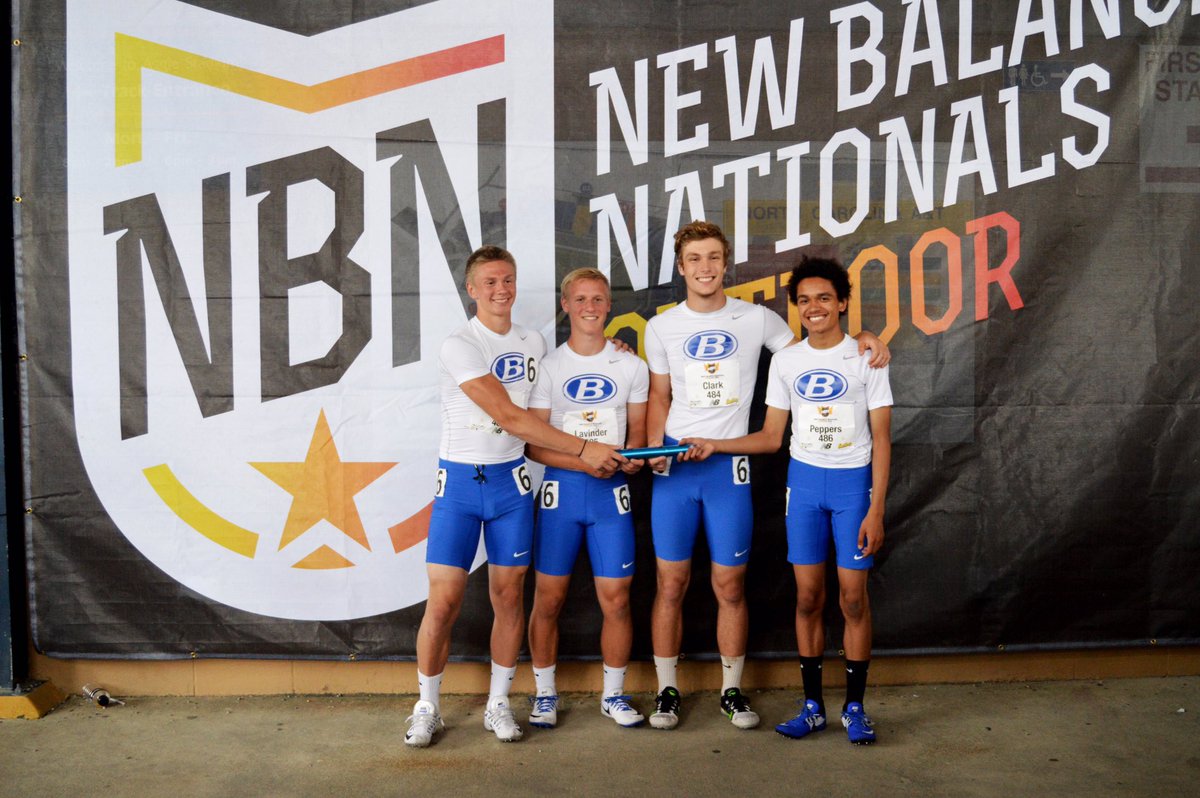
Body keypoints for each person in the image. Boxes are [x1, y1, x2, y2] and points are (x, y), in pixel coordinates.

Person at [643, 222, 889, 731]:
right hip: (676, 469)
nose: (705, 267)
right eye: (695, 259)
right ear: (681, 267)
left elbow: (814, 345)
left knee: (730, 585)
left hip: (730, 468)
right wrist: (653, 452)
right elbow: (659, 397)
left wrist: (865, 336)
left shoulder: (757, 319)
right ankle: (667, 691)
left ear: (726, 262)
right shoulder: (661, 326)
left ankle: (732, 692)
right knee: (670, 583)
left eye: (714, 257)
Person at [405, 247, 626, 749]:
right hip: (459, 485)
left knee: (509, 598)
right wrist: (587, 448)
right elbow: (509, 415)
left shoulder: (533, 341)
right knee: (443, 601)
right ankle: (426, 707)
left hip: (511, 486)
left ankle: (498, 703)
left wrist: (615, 350)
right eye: (489, 282)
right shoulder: (460, 344)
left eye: (507, 280)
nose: (500, 290)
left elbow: (570, 376)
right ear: (471, 289)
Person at [524, 268, 650, 729]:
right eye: (580, 299)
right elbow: (533, 444)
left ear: (609, 305)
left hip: (610, 494)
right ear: (566, 305)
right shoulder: (551, 366)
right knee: (549, 598)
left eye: (598, 299)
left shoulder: (630, 365)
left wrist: (632, 459)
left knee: (617, 598)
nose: (590, 307)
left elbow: (637, 438)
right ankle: (543, 694)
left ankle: (613, 695)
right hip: (562, 490)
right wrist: (586, 461)